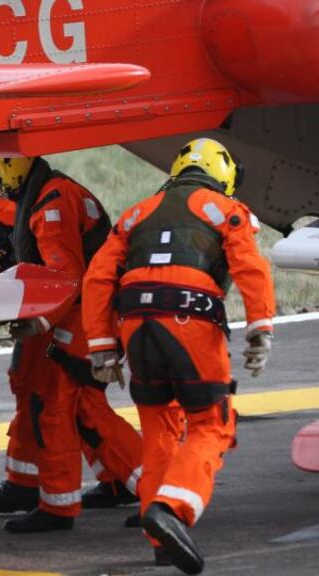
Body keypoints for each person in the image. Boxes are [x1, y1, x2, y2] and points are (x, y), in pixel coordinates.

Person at [0, 158, 143, 520]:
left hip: (81, 311)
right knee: (33, 386)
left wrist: (36, 317)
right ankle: (32, 483)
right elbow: (16, 252)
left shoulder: (41, 202)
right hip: (72, 308)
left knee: (65, 403)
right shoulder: (30, 194)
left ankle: (146, 489)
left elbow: (64, 275)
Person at [83, 138, 276, 574]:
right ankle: (172, 510)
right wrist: (260, 326)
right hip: (189, 318)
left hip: (135, 323)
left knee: (158, 431)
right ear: (223, 176)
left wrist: (102, 346)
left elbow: (98, 276)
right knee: (212, 422)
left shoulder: (136, 212)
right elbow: (249, 265)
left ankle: (161, 540)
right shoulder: (226, 208)